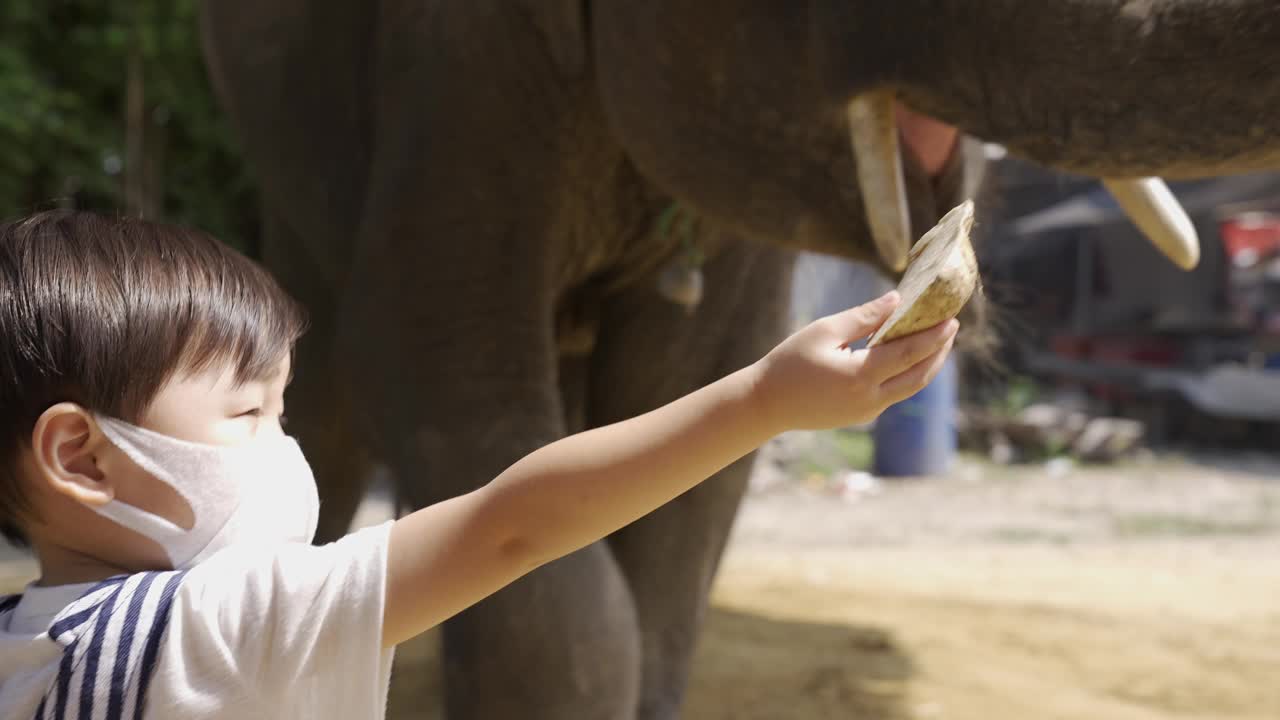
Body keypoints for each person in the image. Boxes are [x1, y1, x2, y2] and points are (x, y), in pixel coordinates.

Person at [0, 210, 957, 719]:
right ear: (82, 458)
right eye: (248, 413)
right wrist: (762, 401)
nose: (284, 449)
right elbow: (513, 525)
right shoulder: (220, 629)